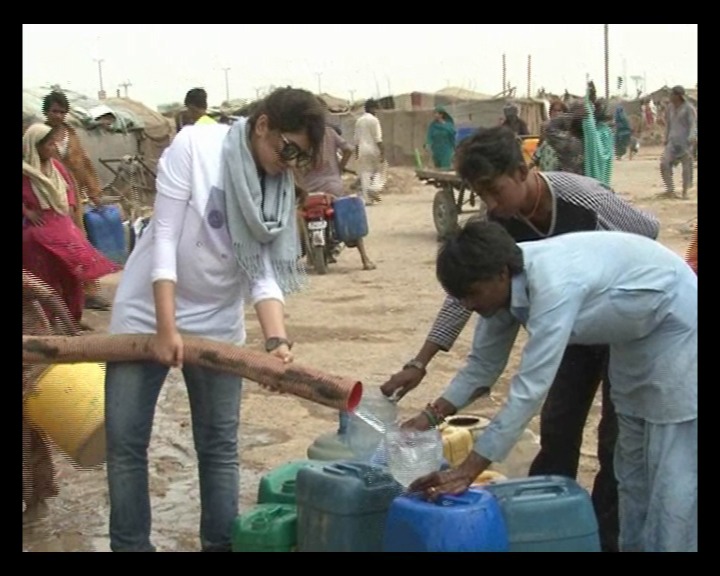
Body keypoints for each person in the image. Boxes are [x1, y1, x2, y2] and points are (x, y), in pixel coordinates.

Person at [380, 126, 660, 552]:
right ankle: (550, 524)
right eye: (481, 195)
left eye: (494, 191)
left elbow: (648, 232)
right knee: (558, 427)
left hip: (623, 326)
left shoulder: (581, 198)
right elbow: (467, 301)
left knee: (617, 444)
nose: (491, 205)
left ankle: (607, 538)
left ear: (522, 169)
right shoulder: (496, 226)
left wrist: (591, 272)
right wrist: (421, 363)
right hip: (567, 334)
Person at [104, 87, 326, 552]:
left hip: (218, 324)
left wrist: (275, 340)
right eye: (287, 148)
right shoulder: (196, 147)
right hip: (146, 315)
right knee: (126, 444)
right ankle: (130, 546)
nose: (289, 162)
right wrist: (165, 329)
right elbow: (163, 236)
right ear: (262, 125)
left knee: (219, 447)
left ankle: (221, 545)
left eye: (300, 157)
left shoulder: (276, 187)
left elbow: (262, 272)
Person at [405, 220, 697, 553]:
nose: (469, 305)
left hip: (678, 326)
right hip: (631, 341)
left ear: (501, 273)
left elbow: (531, 389)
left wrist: (469, 469)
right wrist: (429, 418)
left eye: (472, 294)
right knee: (631, 475)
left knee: (672, 472)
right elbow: (482, 367)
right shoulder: (499, 293)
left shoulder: (554, 283)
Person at [22, 123, 120, 323]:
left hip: (63, 226)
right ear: (35, 146)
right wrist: (27, 212)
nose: (52, 148)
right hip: (39, 231)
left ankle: (72, 319)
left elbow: (69, 190)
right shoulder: (26, 172)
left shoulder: (56, 167)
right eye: (48, 145)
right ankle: (47, 322)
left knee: (73, 275)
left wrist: (71, 209)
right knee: (44, 279)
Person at [42, 90, 113, 311]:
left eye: (63, 112)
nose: (59, 116)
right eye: (55, 111)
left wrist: (94, 192)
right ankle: (54, 295)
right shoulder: (38, 135)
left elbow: (83, 163)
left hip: (72, 198)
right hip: (47, 198)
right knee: (53, 247)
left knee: (79, 243)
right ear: (46, 111)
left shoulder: (70, 135)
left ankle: (88, 292)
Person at [297, 123, 376, 271]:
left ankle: (307, 257)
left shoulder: (299, 135)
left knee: (299, 216)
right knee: (350, 212)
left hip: (307, 189)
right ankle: (365, 259)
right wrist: (339, 168)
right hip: (332, 186)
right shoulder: (329, 132)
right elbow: (348, 149)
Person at [660, 85, 697, 199]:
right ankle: (670, 190)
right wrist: (665, 137)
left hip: (685, 142)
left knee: (686, 169)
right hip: (672, 141)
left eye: (672, 94)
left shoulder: (689, 108)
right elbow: (668, 124)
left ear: (678, 96)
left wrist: (692, 137)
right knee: (664, 163)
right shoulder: (670, 108)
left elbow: (693, 125)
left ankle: (685, 192)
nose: (670, 96)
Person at [354, 99, 385, 205]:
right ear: (372, 108)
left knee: (365, 174)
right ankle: (374, 188)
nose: (376, 111)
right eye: (376, 108)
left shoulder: (359, 121)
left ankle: (367, 199)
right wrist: (382, 152)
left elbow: (356, 140)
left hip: (362, 149)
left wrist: (357, 153)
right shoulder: (374, 120)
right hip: (373, 149)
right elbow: (378, 138)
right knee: (381, 170)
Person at [425, 105, 457, 170]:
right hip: (436, 150)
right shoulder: (433, 125)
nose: (434, 115)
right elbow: (429, 135)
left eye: (436, 113)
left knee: (445, 167)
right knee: (437, 167)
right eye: (434, 113)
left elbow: (452, 137)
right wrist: (428, 144)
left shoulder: (449, 125)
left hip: (446, 149)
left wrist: (455, 148)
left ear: (441, 114)